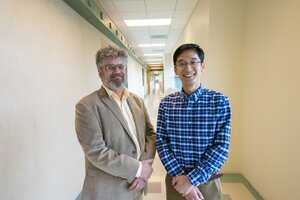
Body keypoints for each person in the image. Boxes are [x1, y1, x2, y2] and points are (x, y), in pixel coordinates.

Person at [75, 45, 156, 200]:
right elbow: (96, 151)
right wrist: (138, 169)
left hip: (137, 186)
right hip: (109, 191)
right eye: (110, 67)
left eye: (121, 66)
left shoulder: (137, 101)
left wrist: (143, 168)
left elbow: (150, 134)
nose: (117, 71)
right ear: (100, 72)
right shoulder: (87, 106)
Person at [156, 43, 231, 200]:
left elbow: (221, 146)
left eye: (193, 62)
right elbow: (162, 142)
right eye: (181, 63)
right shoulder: (167, 104)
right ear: (176, 69)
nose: (187, 68)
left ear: (202, 66)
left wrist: (191, 179)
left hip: (207, 180)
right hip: (175, 181)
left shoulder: (219, 101)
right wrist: (181, 178)